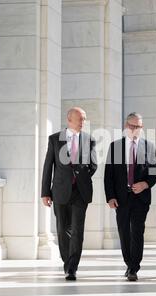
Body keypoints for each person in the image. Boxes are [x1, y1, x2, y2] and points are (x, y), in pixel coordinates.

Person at [41, 107, 97, 281]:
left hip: (80, 192)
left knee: (77, 230)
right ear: (70, 120)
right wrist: (45, 192)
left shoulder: (89, 140)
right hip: (59, 191)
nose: (83, 122)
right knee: (62, 229)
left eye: (84, 119)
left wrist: (81, 174)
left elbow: (93, 165)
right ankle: (67, 262)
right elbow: (48, 166)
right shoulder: (55, 139)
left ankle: (72, 268)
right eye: (80, 119)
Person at [104, 113, 156, 281]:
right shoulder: (115, 147)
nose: (136, 130)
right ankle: (129, 263)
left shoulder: (149, 147)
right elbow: (109, 176)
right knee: (123, 232)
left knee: (137, 231)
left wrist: (145, 184)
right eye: (133, 126)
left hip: (140, 198)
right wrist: (110, 197)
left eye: (139, 127)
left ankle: (134, 267)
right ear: (126, 126)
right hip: (121, 198)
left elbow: (154, 173)